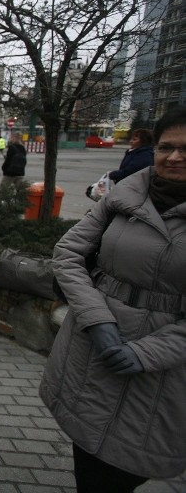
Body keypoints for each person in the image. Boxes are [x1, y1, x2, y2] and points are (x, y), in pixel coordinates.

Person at [39, 107, 186, 492]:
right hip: (94, 350)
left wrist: (146, 354)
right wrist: (97, 319)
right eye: (166, 147)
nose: (174, 157)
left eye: (185, 149)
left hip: (160, 370)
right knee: (88, 460)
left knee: (125, 466)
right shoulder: (126, 193)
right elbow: (68, 253)